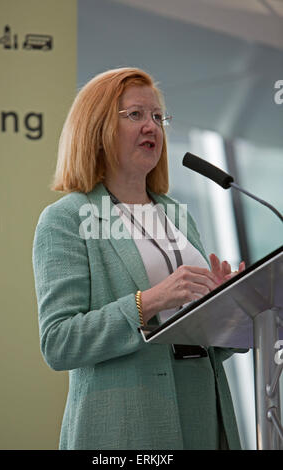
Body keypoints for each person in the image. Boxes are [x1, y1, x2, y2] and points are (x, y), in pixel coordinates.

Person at [32, 67, 246, 450]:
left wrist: (228, 305)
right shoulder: (66, 218)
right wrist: (150, 301)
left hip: (204, 415)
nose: (152, 126)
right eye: (136, 115)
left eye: (158, 117)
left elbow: (198, 336)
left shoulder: (177, 215)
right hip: (126, 422)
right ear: (97, 128)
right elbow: (59, 342)